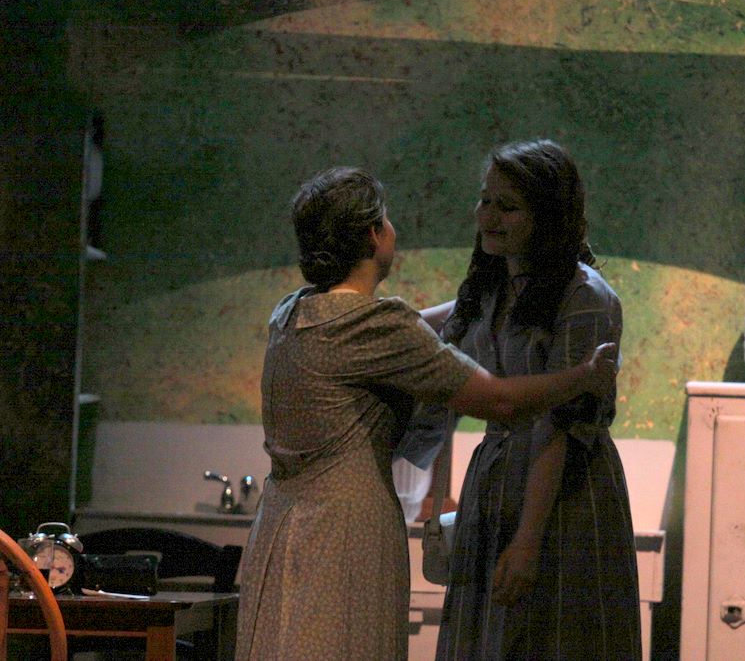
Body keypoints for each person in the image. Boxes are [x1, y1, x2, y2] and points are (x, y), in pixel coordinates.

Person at [235, 166, 618, 660]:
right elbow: (498, 400)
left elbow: (418, 328)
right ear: (373, 234)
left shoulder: (293, 311)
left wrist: (483, 298)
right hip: (344, 528)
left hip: (281, 522)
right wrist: (582, 375)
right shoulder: (378, 327)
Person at [419, 139, 642, 660]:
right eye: (484, 200)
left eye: (507, 206)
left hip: (561, 493)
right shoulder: (494, 287)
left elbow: (561, 426)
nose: (488, 216)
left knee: (552, 636)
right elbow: (428, 338)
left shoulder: (584, 297)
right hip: (494, 481)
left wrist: (527, 540)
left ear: (546, 216)